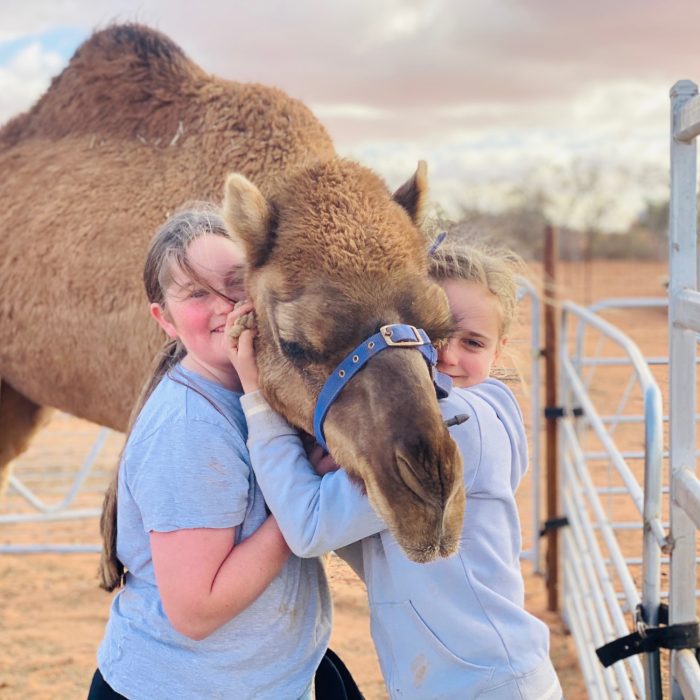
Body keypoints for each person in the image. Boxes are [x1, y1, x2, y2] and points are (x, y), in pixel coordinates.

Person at [227, 238, 562, 699]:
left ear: (499, 352)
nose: (448, 355)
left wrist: (258, 398)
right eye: (434, 333)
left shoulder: (453, 427)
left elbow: (308, 526)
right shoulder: (470, 419)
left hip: (483, 686)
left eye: (473, 342)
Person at [89, 206, 330, 700]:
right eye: (197, 293)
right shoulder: (190, 427)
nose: (224, 304)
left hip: (253, 680)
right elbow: (196, 611)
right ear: (166, 320)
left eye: (236, 281)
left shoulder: (255, 394)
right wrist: (303, 497)